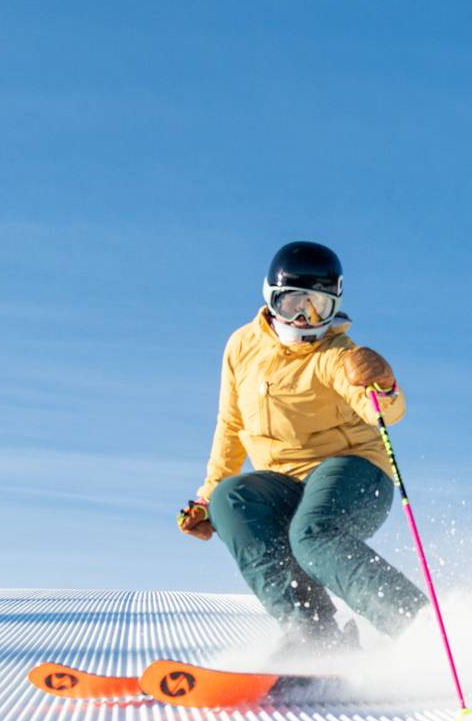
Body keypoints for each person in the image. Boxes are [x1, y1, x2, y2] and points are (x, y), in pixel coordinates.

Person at [178, 240, 429, 657]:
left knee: (311, 535)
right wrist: (206, 496)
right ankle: (314, 634)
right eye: (294, 302)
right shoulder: (241, 347)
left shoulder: (337, 355)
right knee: (230, 500)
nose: (305, 316)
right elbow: (231, 424)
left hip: (355, 475)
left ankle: (417, 627)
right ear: (270, 299)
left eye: (318, 306)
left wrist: (382, 383)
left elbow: (385, 411)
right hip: (286, 485)